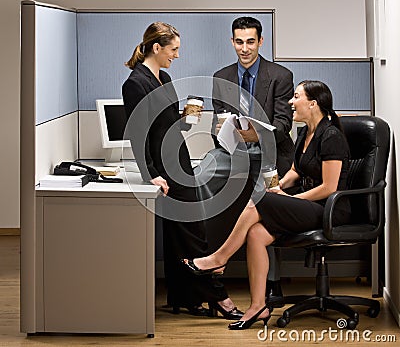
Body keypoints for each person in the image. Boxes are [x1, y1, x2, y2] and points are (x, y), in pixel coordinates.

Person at [183, 80, 351, 329]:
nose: (291, 103)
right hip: (309, 205)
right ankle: (257, 307)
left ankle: (218, 259)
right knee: (256, 233)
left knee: (260, 198)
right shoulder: (305, 132)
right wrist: (280, 187)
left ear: (313, 104)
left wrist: (290, 200)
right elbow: (296, 169)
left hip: (330, 210)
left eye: (296, 97)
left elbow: (329, 188)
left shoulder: (332, 136)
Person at [122, 22, 242, 319]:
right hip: (165, 167)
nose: (176, 55)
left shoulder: (164, 77)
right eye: (173, 49)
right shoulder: (136, 83)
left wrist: (185, 119)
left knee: (179, 233)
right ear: (156, 47)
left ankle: (183, 297)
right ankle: (218, 297)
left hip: (180, 160)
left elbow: (162, 122)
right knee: (194, 233)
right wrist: (151, 173)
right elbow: (138, 134)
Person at [195, 16, 294, 304]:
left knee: (268, 202)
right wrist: (219, 130)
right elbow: (222, 120)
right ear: (232, 42)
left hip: (270, 155)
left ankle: (272, 280)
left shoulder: (281, 76)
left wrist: (255, 136)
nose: (245, 48)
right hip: (234, 152)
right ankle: (212, 276)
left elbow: (283, 124)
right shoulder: (221, 77)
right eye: (239, 42)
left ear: (261, 41)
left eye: (251, 41)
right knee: (202, 180)